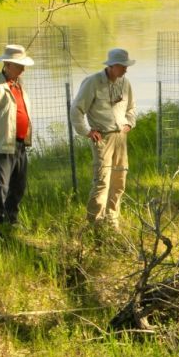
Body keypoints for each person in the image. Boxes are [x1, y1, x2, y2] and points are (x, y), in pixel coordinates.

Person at [71, 47, 137, 230]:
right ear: (112, 66)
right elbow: (76, 109)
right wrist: (86, 131)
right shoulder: (92, 82)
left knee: (120, 179)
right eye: (123, 66)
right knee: (102, 181)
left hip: (121, 137)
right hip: (103, 139)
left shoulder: (126, 83)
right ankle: (95, 223)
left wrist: (129, 124)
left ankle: (112, 220)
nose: (126, 69)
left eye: (126, 66)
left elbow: (131, 108)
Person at [0, 44, 34, 231]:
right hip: (0, 147)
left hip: (19, 145)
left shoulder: (19, 86)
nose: (23, 69)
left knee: (18, 185)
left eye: (23, 65)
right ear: (7, 65)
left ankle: (11, 220)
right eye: (19, 65)